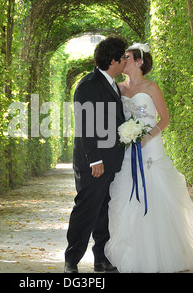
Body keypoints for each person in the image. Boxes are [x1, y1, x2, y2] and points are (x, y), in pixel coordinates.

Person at [104, 43, 193, 273]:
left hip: (150, 147)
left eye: (127, 57)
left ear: (139, 61)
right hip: (128, 148)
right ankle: (133, 254)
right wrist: (126, 135)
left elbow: (165, 119)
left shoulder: (152, 87)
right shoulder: (117, 88)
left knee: (156, 190)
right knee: (126, 193)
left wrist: (146, 137)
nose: (123, 60)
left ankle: (164, 253)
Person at [64, 36, 128, 273]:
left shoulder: (111, 84)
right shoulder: (88, 84)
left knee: (103, 211)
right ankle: (71, 261)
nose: (124, 62)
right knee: (86, 210)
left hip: (110, 160)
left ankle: (100, 258)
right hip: (94, 162)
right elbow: (85, 125)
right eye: (122, 58)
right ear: (113, 60)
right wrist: (95, 159)